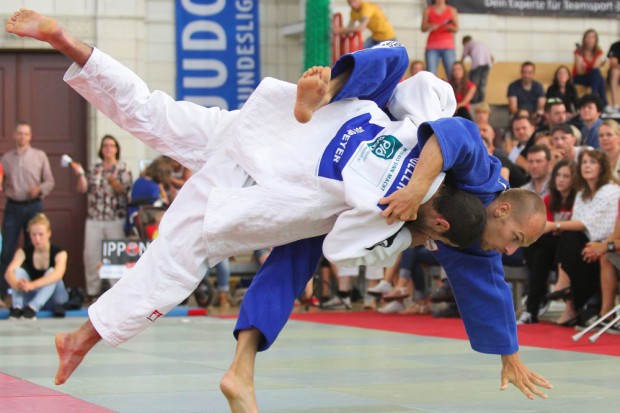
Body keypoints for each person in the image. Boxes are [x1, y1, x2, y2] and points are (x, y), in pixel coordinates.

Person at [5, 9, 552, 408]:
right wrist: (411, 202)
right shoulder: (470, 182)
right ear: (501, 208)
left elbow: (486, 281)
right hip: (270, 177)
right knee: (179, 260)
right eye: (518, 242)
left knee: (154, 113)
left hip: (271, 128)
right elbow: (451, 135)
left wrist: (508, 352)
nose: (510, 255)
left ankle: (69, 43)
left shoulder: (463, 214)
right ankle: (85, 336)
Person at [543, 149, 620, 328]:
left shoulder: (612, 190)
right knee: (561, 239)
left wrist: (603, 246)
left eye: (592, 162)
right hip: (596, 244)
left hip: (603, 241)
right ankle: (601, 313)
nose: (586, 166)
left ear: (603, 167)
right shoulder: (582, 193)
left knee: (570, 237)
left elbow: (588, 223)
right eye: (584, 162)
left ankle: (568, 294)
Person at [70, 135, 132, 299]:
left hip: (115, 218)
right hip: (95, 218)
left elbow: (125, 191)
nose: (108, 149)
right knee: (91, 255)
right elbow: (83, 189)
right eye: (105, 145)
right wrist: (80, 175)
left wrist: (113, 182)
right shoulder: (94, 168)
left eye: (112, 145)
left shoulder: (123, 168)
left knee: (116, 257)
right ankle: (93, 292)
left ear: (117, 149)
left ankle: (116, 293)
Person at [0, 121, 55, 299]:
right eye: (19, 133)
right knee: (7, 249)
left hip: (34, 206)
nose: (22, 137)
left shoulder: (40, 156)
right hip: (13, 206)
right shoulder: (6, 159)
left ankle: (34, 289)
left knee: (34, 247)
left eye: (26, 134)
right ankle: (4, 292)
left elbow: (49, 182)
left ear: (30, 136)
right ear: (14, 136)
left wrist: (39, 189)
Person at [519, 160, 577, 324]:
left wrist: (557, 227)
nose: (560, 179)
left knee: (541, 250)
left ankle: (532, 309)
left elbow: (573, 226)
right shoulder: (548, 199)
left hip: (570, 250)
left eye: (566, 176)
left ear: (574, 179)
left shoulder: (578, 199)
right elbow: (546, 226)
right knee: (540, 252)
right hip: (551, 251)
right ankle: (532, 310)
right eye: (558, 175)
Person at [5, 213, 68, 320]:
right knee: (18, 271)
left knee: (52, 272)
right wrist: (19, 284)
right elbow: (8, 273)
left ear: (49, 233)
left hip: (56, 298)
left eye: (40, 234)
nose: (37, 239)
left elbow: (58, 274)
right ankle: (17, 307)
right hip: (31, 294)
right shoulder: (23, 252)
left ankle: (33, 308)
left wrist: (32, 285)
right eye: (33, 235)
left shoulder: (60, 253)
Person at [421, 0, 458, 78]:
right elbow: (423, 28)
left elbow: (456, 28)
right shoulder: (428, 10)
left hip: (448, 47)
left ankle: (452, 90)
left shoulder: (452, 10)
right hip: (432, 47)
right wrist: (430, 26)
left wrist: (450, 27)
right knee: (430, 74)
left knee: (451, 73)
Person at [573, 29, 608, 108]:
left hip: (592, 77)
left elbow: (595, 69)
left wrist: (589, 67)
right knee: (599, 77)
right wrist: (582, 64)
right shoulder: (578, 51)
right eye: (588, 37)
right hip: (579, 77)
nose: (590, 39)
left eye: (592, 37)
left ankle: (594, 99)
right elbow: (580, 72)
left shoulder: (598, 51)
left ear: (596, 39)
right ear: (584, 39)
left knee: (598, 76)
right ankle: (602, 103)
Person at [461, 35, 492, 103]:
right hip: (487, 64)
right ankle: (481, 101)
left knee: (473, 83)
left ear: (464, 42)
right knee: (482, 83)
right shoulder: (481, 43)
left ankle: (473, 100)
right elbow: (491, 57)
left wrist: (462, 67)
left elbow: (463, 57)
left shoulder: (468, 44)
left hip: (477, 64)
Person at [607, 40, 620, 114]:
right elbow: (612, 62)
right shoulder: (615, 45)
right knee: (615, 72)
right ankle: (615, 106)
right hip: (616, 73)